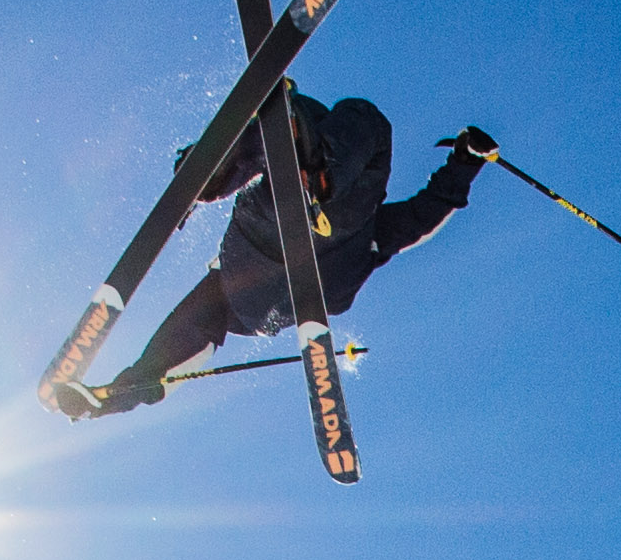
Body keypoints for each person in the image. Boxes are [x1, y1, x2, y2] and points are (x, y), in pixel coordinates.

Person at [84, 101, 489, 412]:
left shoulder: (226, 287)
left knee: (304, 117)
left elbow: (188, 334)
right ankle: (279, 164)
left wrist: (130, 387)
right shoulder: (374, 231)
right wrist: (465, 162)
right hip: (308, 255)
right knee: (356, 118)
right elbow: (426, 213)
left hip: (263, 254)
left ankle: (239, 168)